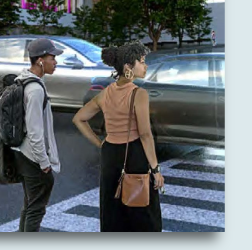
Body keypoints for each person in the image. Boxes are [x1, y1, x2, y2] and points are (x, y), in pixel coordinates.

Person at [71, 42, 164, 231]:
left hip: (110, 154)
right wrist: (155, 169)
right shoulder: (138, 94)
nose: (145, 66)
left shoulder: (105, 94)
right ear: (128, 67)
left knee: (113, 207)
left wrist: (100, 144)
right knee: (141, 207)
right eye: (142, 62)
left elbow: (79, 119)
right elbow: (145, 134)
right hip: (134, 154)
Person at [10, 38, 62, 231]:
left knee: (30, 205)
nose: (55, 62)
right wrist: (44, 163)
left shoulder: (24, 80)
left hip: (22, 152)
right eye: (52, 57)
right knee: (36, 209)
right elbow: (35, 131)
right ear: (40, 60)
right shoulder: (35, 90)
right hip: (33, 158)